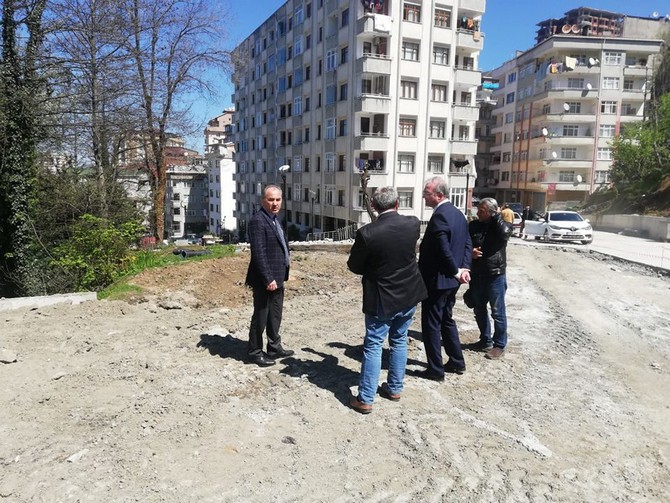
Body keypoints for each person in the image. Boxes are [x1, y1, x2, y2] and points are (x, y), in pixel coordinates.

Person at [347, 187, 427, 414]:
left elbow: (354, 266)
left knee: (374, 345)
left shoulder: (367, 233)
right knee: (399, 340)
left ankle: (365, 398)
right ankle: (394, 389)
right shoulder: (413, 224)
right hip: (409, 293)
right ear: (398, 203)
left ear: (373, 206)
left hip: (382, 297)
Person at [417, 177, 472, 381]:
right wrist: (464, 268)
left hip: (438, 280)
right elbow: (467, 243)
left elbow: (443, 250)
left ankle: (435, 369)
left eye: (427, 193)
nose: (424, 196)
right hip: (452, 281)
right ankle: (457, 361)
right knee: (446, 319)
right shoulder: (458, 214)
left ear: (439, 195)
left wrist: (456, 270)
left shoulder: (440, 215)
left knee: (431, 324)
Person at [245, 185, 294, 367]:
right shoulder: (258, 221)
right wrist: (268, 278)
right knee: (261, 316)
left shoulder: (275, 219)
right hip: (265, 280)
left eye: (278, 200)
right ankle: (255, 352)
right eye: (271, 200)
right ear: (263, 201)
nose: (275, 203)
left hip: (278, 276)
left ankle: (274, 347)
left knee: (275, 314)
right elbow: (259, 253)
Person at [468, 198, 513, 359]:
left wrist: (497, 217)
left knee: (497, 312)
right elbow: (466, 242)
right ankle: (485, 340)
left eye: (482, 211)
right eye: (478, 209)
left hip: (495, 274)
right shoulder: (474, 225)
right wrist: (471, 253)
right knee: (478, 308)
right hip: (477, 274)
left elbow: (506, 233)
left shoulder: (501, 225)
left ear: (492, 212)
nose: (478, 213)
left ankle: (499, 345)